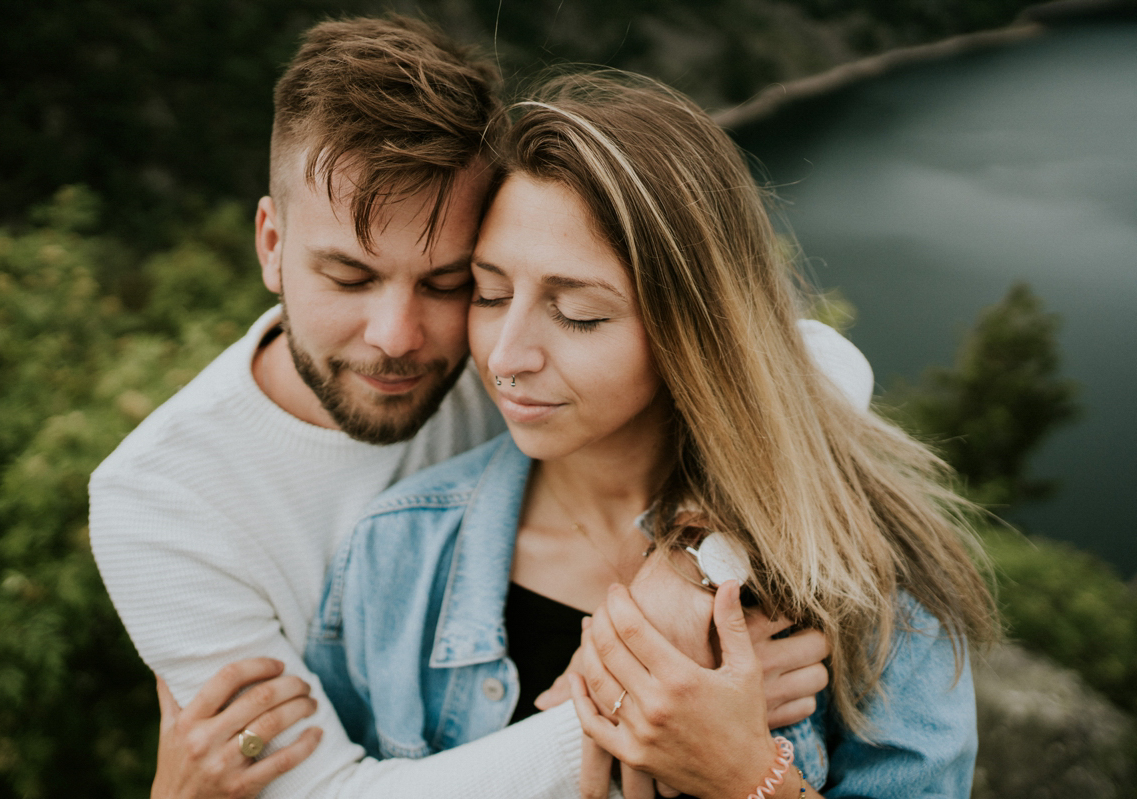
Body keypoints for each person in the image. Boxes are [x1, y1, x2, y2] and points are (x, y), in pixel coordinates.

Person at [88, 16, 872, 799]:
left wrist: (694, 564)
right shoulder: (158, 502)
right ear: (269, 244)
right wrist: (651, 700)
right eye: (349, 278)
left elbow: (801, 360)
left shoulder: (503, 354)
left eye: (450, 283)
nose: (397, 337)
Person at [304, 71, 997, 799]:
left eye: (578, 313)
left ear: (692, 332)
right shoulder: (398, 551)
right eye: (490, 292)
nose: (506, 356)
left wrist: (746, 777)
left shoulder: (868, 583)